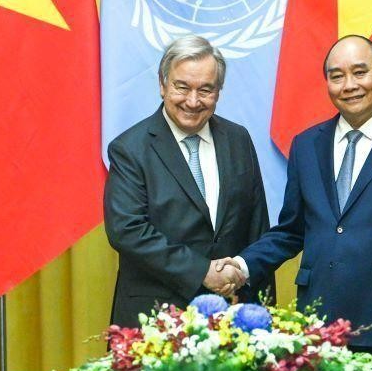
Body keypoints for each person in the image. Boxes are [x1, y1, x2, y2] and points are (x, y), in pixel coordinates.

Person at [223, 35, 372, 371]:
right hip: (319, 327)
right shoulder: (305, 145)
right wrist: (242, 266)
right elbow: (292, 231)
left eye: (360, 72)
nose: (349, 85)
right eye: (337, 76)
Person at [104, 35, 271, 327]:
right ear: (162, 84)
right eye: (182, 87)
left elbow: (257, 226)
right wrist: (202, 271)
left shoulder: (238, 139)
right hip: (156, 320)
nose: (192, 101)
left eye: (205, 90)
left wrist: (263, 309)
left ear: (219, 91)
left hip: (234, 317)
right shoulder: (130, 148)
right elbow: (127, 230)